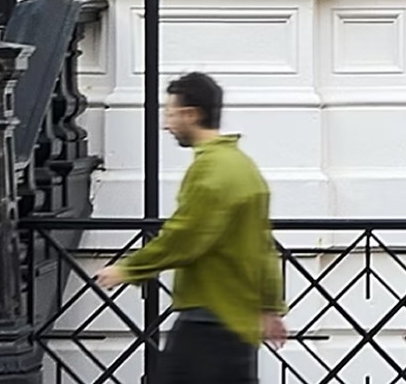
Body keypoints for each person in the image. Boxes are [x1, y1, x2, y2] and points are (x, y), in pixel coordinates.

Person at [95, 71, 287, 382]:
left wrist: (130, 269)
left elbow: (185, 236)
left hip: (208, 322)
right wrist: (270, 306)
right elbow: (264, 249)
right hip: (239, 322)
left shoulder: (211, 170)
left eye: (170, 113)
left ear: (191, 115)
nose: (166, 124)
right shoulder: (244, 167)